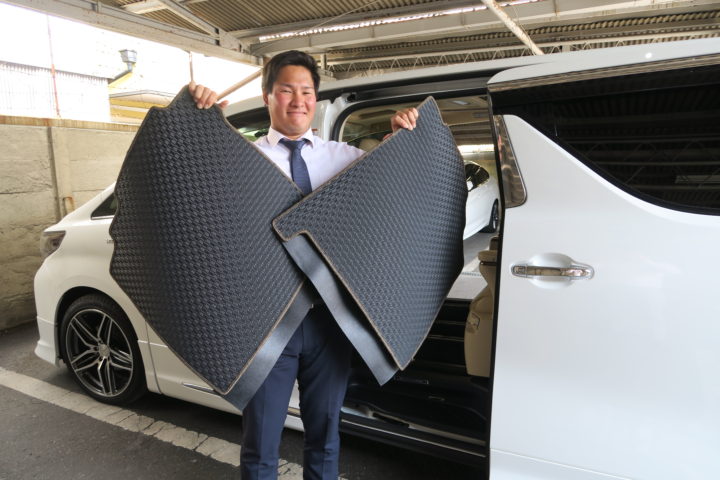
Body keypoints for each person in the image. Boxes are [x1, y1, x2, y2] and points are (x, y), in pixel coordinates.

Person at [189, 50, 418, 480]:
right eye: (286, 90)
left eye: (307, 91)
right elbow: (192, 190)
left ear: (316, 98)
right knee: (261, 443)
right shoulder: (241, 159)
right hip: (267, 325)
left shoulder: (343, 158)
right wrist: (195, 118)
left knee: (326, 437)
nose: (298, 100)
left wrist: (401, 138)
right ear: (267, 96)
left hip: (330, 323)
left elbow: (389, 187)